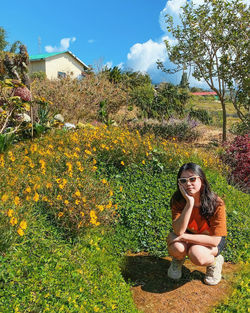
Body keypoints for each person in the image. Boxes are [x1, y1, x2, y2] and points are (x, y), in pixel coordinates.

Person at [167, 162, 227, 285]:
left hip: (210, 240)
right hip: (189, 234)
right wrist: (189, 203)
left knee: (197, 254)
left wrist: (183, 237)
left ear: (202, 180)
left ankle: (214, 263)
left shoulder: (216, 203)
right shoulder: (178, 200)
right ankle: (178, 259)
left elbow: (215, 241)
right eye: (183, 181)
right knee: (177, 248)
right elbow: (178, 230)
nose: (188, 183)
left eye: (192, 179)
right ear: (179, 184)